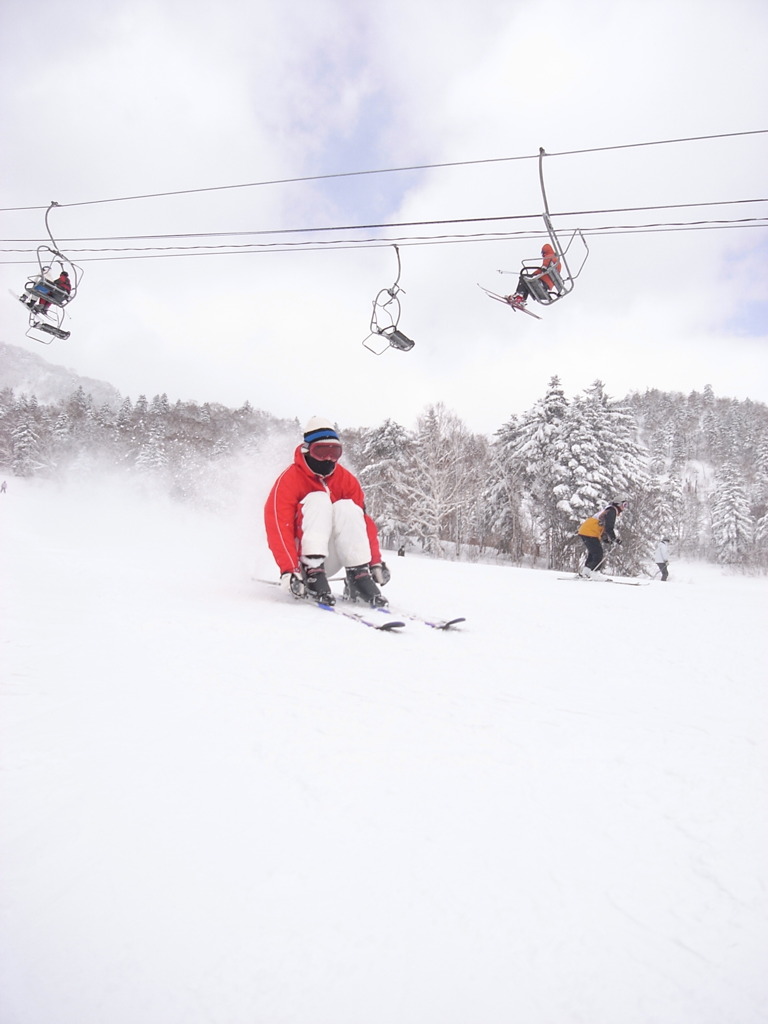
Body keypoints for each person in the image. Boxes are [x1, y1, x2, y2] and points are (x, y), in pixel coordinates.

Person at [264, 417, 390, 607]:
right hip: (302, 562)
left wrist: (374, 562)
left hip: (336, 557)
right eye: (322, 452)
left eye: (335, 452)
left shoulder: (346, 480)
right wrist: (289, 569)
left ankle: (358, 576)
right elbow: (279, 527)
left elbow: (363, 523)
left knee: (347, 507)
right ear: (307, 450)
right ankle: (313, 572)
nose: (329, 459)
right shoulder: (289, 480)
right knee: (318, 498)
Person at [576, 500, 628, 577]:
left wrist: (606, 539)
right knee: (598, 554)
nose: (625, 508)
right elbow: (609, 527)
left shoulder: (608, 510)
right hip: (590, 532)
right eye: (624, 505)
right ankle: (594, 573)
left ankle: (586, 572)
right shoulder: (612, 511)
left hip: (586, 531)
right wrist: (614, 539)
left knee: (593, 553)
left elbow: (602, 526)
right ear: (618, 504)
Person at [506, 243, 562, 308]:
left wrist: (534, 274)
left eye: (542, 253)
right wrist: (534, 274)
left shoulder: (549, 256)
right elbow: (545, 271)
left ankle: (519, 297)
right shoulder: (557, 261)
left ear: (545, 251)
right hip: (547, 285)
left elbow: (544, 268)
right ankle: (521, 299)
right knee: (528, 281)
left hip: (542, 281)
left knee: (523, 278)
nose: (542, 255)